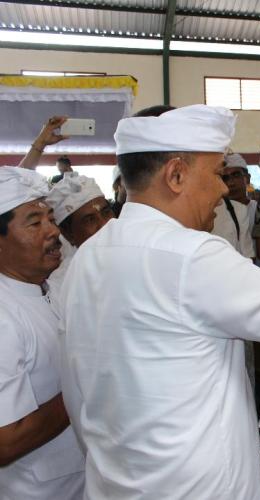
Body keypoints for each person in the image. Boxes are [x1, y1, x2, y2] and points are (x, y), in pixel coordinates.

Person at [57, 105, 260, 499]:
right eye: (217, 173)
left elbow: (75, 388)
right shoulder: (191, 255)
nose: (224, 188)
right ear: (176, 175)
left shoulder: (88, 256)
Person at [0, 167, 84, 499]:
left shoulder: (52, 289)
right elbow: (5, 440)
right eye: (35, 223)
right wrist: (85, 384)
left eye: (51, 218)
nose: (53, 231)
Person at [45, 172, 114, 297]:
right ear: (67, 234)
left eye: (106, 212)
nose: (104, 224)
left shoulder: (128, 253)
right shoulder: (64, 284)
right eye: (89, 219)